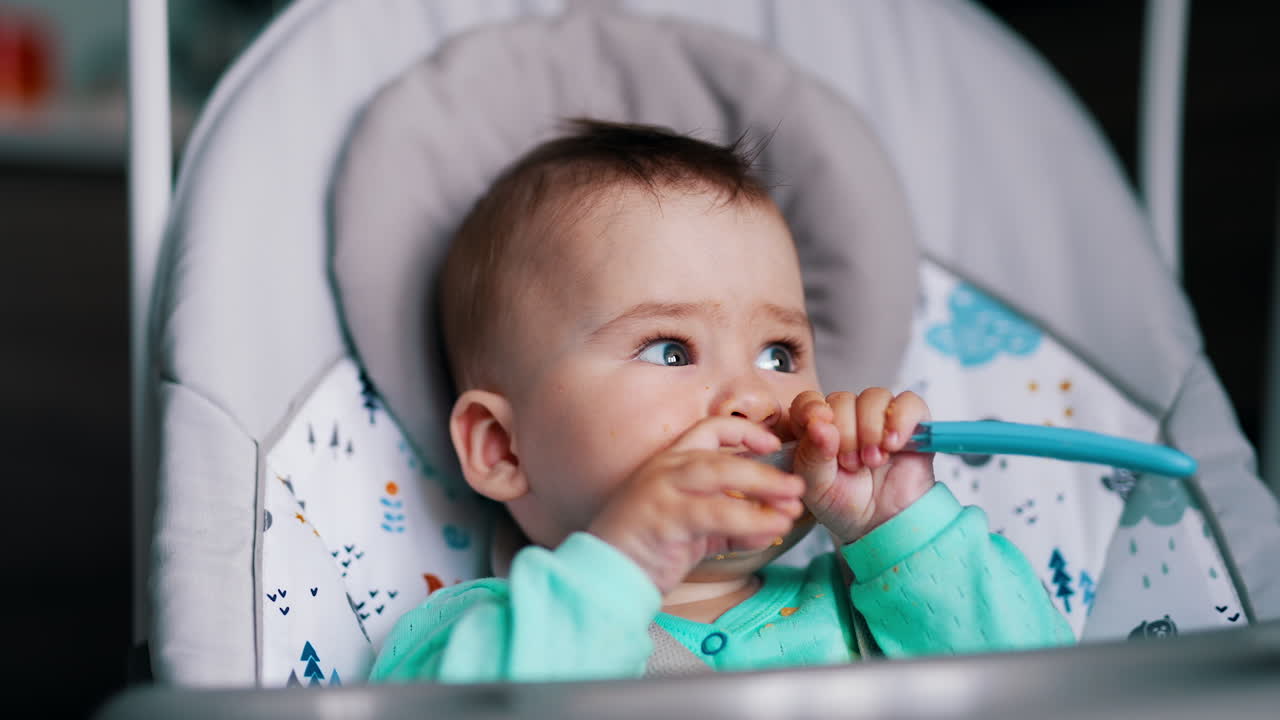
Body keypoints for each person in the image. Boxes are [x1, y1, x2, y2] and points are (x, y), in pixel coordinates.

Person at [369, 118, 1072, 683]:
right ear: (502, 447)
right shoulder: (484, 636)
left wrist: (904, 533)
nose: (753, 396)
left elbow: (1055, 695)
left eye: (780, 355)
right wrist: (625, 564)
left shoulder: (875, 602)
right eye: (670, 350)